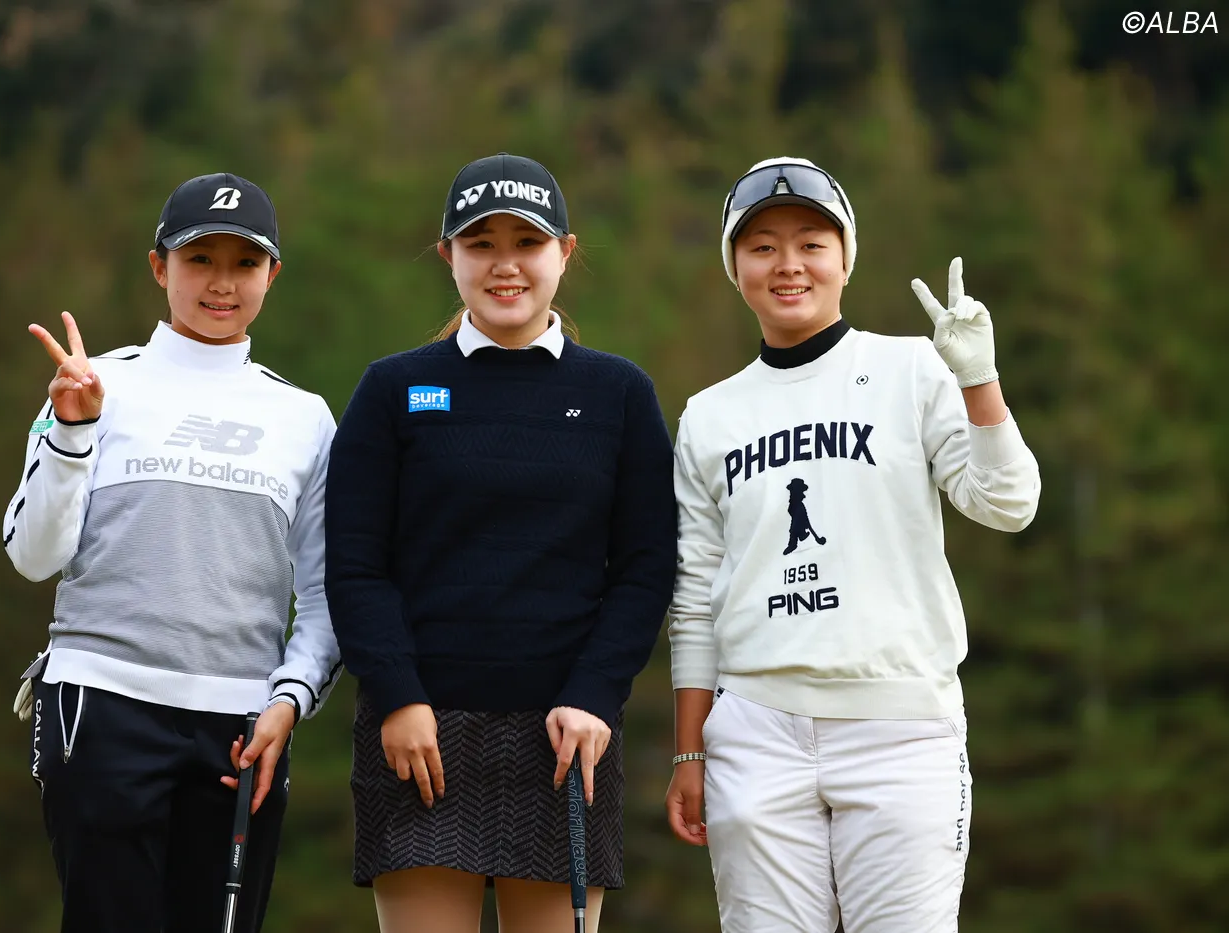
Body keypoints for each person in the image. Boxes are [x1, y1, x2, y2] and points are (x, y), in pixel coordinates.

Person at [664, 157, 1041, 932]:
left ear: (845, 258)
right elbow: (696, 596)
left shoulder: (911, 368)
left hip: (901, 727)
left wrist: (978, 378)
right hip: (756, 730)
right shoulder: (709, 415)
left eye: (812, 243)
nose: (788, 264)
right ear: (735, 267)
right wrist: (689, 751)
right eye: (762, 246)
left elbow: (1008, 503)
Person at [324, 153, 677, 933]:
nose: (505, 264)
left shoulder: (619, 393)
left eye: (528, 243)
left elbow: (646, 566)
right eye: (481, 244)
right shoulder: (391, 389)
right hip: (418, 735)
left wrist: (596, 693)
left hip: (567, 736)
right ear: (447, 254)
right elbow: (354, 564)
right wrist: (397, 694)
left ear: (566, 252)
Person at [3, 172, 341, 933]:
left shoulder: (305, 418)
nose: (222, 283)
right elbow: (32, 554)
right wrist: (72, 431)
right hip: (100, 705)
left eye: (245, 263)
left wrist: (289, 699)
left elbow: (326, 592)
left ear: (272, 274)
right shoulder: (91, 384)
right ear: (160, 266)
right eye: (199, 260)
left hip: (242, 727)